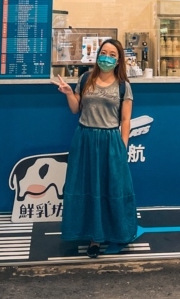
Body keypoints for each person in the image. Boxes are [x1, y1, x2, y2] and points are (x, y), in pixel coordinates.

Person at [55, 38, 137, 257]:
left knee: (111, 188)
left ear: (119, 60)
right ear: (97, 54)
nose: (107, 58)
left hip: (110, 141)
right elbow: (76, 109)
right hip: (85, 139)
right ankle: (93, 237)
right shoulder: (85, 79)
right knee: (88, 188)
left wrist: (123, 146)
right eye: (104, 52)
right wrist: (68, 93)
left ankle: (116, 232)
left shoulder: (123, 86)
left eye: (112, 55)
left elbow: (126, 119)